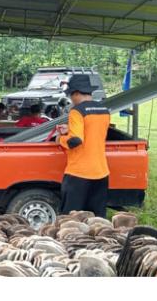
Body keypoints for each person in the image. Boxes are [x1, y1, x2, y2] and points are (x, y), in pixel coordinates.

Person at [56, 74, 111, 218]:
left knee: (71, 219)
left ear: (76, 93)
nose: (71, 99)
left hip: (79, 174)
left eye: (71, 95)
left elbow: (76, 140)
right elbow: (93, 132)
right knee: (96, 219)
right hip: (101, 172)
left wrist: (61, 139)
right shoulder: (104, 110)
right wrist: (69, 129)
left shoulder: (77, 111)